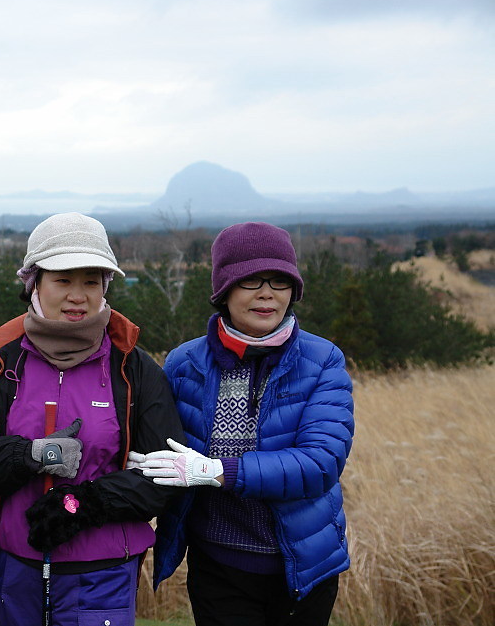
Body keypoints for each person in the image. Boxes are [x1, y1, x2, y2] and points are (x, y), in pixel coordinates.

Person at [0, 212, 185, 626]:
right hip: (15, 567)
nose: (78, 296)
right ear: (34, 283)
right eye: (63, 280)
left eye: (91, 282)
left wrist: (83, 503)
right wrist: (30, 455)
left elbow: (163, 475)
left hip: (103, 574)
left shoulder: (133, 368)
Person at [133, 221, 354, 626]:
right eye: (251, 280)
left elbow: (321, 463)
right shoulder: (184, 363)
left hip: (301, 568)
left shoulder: (323, 361)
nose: (267, 293)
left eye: (280, 281)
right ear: (224, 289)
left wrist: (217, 471)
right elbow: (160, 445)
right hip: (218, 567)